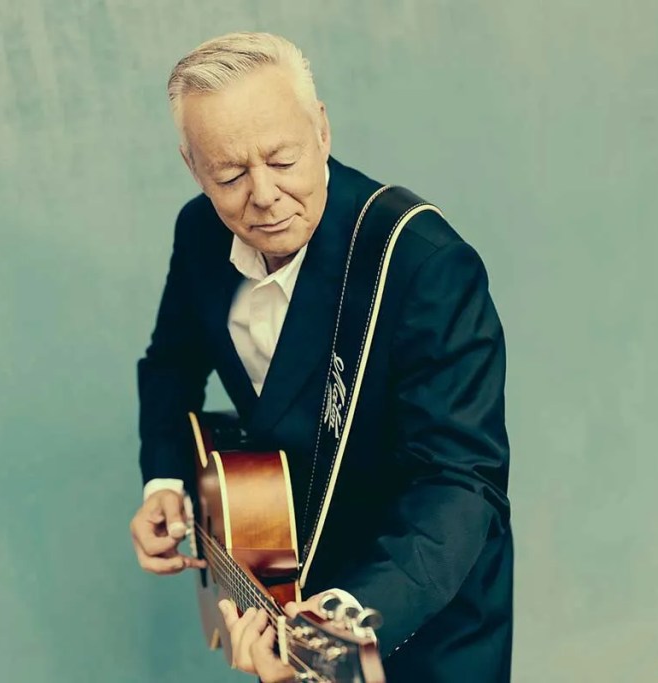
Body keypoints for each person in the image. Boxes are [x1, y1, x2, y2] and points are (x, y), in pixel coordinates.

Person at [129, 32, 513, 682]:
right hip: (275, 578)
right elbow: (169, 363)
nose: (265, 195)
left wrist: (333, 629)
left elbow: (460, 485)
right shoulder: (197, 233)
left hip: (417, 603)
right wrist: (165, 480)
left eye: (283, 159)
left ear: (323, 130)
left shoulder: (423, 264)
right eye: (229, 175)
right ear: (193, 168)